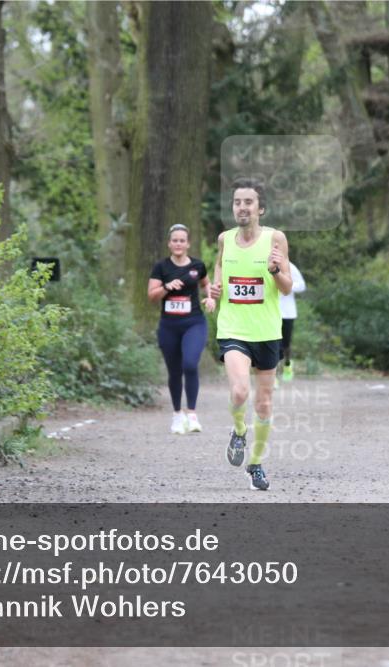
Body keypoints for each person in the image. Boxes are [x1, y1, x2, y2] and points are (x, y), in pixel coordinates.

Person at [209, 179, 292, 491]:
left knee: (265, 403)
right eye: (237, 202)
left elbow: (287, 288)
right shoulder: (224, 239)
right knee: (241, 391)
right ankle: (239, 429)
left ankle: (255, 464)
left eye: (248, 202)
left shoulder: (275, 239)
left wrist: (274, 271)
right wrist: (215, 291)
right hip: (233, 328)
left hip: (267, 331)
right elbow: (219, 266)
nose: (241, 207)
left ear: (261, 208)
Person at [148, 223, 215, 434]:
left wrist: (210, 298)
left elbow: (206, 284)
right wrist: (167, 287)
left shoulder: (197, 265)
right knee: (174, 371)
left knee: (190, 363)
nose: (178, 244)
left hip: (194, 322)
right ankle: (177, 415)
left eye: (182, 241)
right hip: (169, 325)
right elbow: (151, 296)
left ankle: (192, 414)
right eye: (174, 240)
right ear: (169, 244)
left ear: (188, 244)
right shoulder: (161, 267)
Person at [277, 262, 306, 382]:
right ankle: (274, 376)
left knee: (285, 345)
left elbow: (302, 286)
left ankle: (287, 364)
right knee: (273, 345)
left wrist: (286, 285)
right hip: (270, 313)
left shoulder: (290, 266)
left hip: (288, 313)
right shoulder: (264, 263)